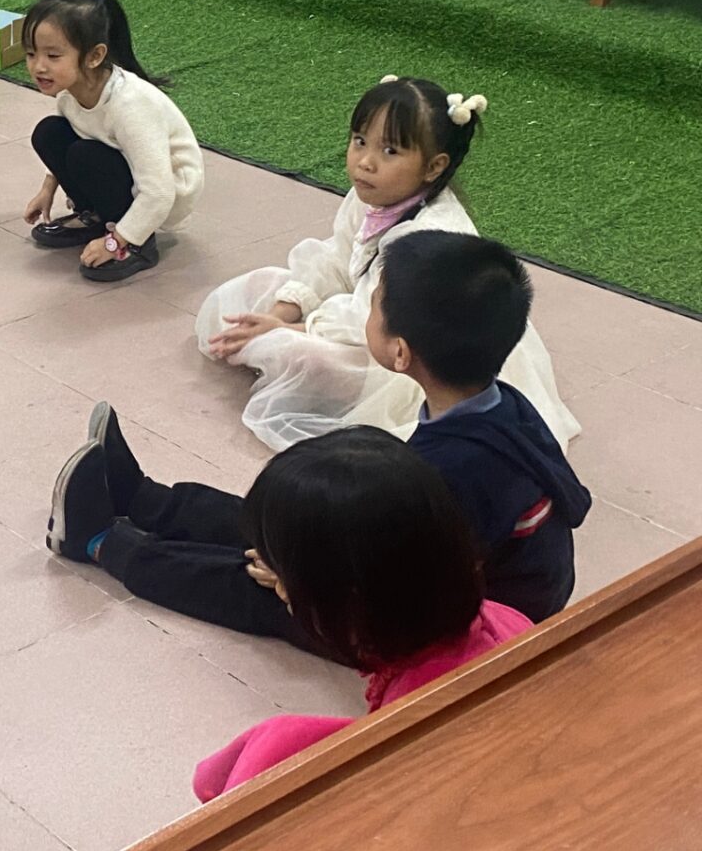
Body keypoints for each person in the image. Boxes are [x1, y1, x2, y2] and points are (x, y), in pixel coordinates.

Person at [50, 231, 591, 636]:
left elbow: (412, 589)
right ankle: (141, 498)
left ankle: (100, 542)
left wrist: (301, 583)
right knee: (284, 526)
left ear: (400, 353)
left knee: (250, 586)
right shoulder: (506, 406)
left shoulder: (447, 474)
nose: (366, 313)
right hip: (465, 578)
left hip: (463, 625)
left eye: (373, 306)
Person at [199, 76, 578, 451]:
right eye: (359, 141)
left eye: (390, 151)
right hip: (369, 319)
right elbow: (337, 258)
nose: (365, 162)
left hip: (409, 358)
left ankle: (282, 358)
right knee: (261, 285)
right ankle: (269, 342)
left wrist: (293, 329)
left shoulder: (428, 235)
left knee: (298, 354)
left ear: (434, 167)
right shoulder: (369, 196)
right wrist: (281, 313)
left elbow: (370, 321)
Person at [186, 428, 533, 799]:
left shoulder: (411, 726)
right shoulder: (497, 617)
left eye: (286, 578)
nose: (281, 590)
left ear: (350, 598)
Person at [21, 0, 203, 283]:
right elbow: (73, 130)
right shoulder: (69, 94)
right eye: (31, 53)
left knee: (85, 154)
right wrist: (47, 189)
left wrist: (116, 241)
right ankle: (97, 218)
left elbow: (159, 192)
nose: (38, 66)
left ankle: (138, 242)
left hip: (166, 194)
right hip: (125, 171)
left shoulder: (131, 105)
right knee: (49, 133)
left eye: (53, 55)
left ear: (94, 56)